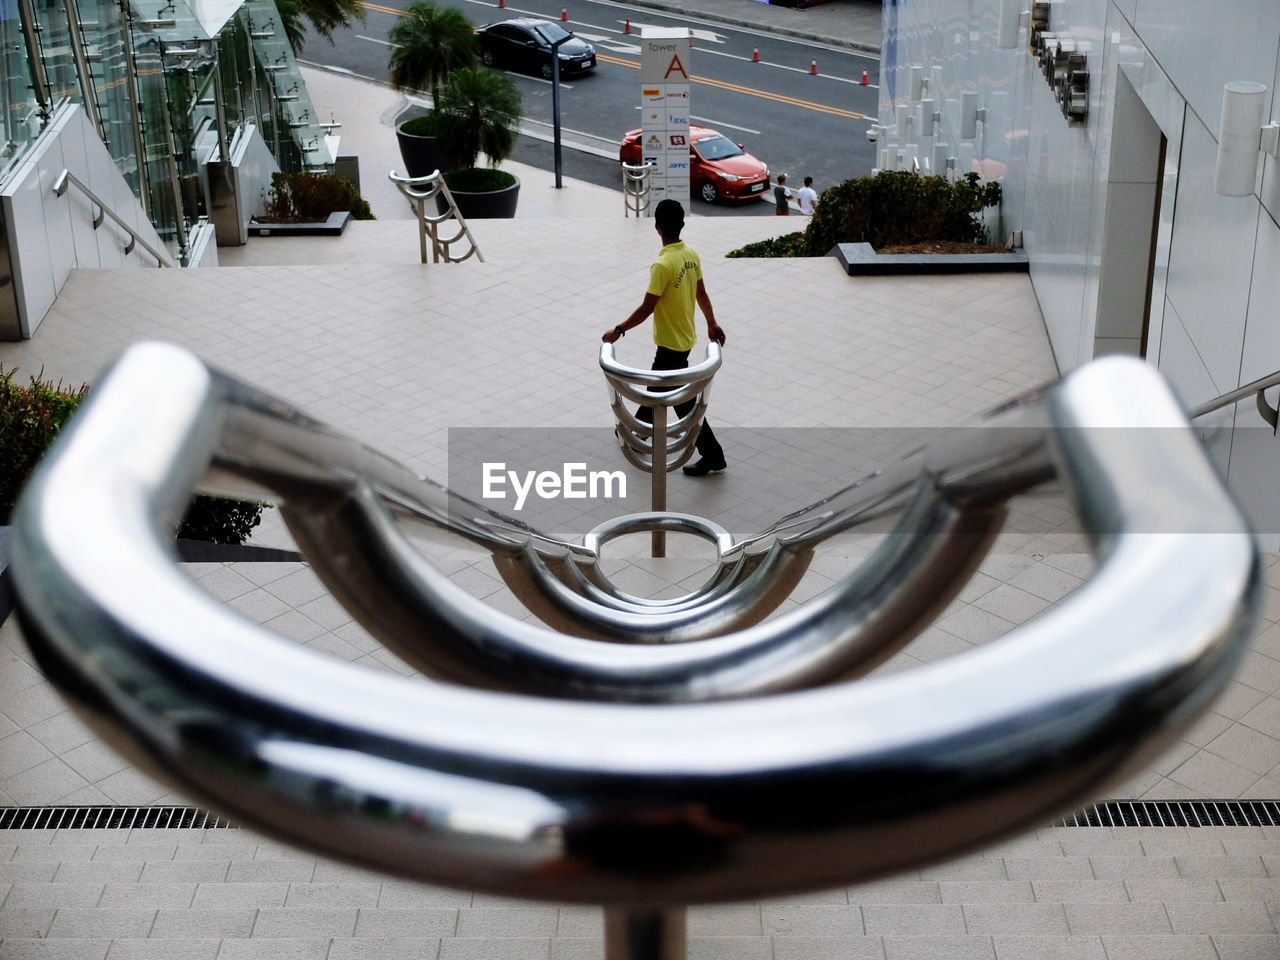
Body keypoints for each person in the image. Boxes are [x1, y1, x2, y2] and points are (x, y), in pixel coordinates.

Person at [602, 199, 727, 476]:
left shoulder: (662, 265)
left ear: (657, 227)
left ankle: (712, 454)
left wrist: (618, 330)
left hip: (671, 342)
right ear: (681, 224)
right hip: (684, 338)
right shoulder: (691, 254)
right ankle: (639, 432)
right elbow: (701, 293)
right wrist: (712, 323)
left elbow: (648, 308)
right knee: (657, 391)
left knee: (680, 402)